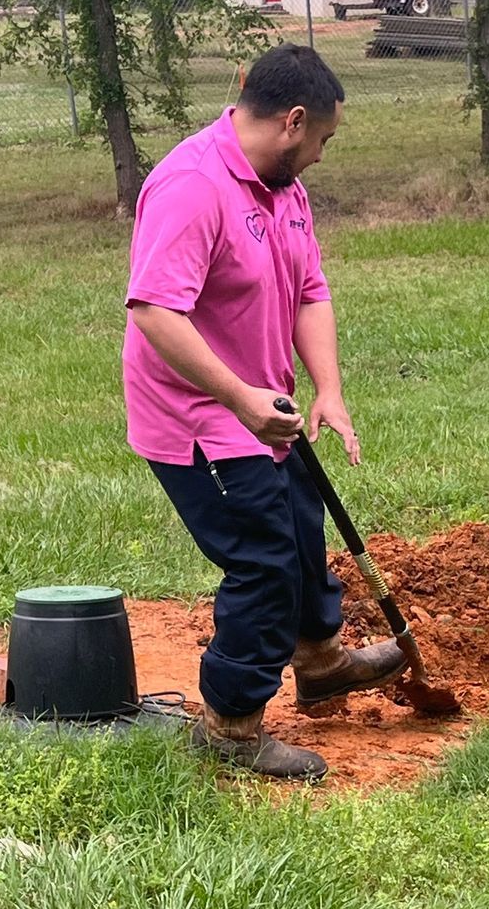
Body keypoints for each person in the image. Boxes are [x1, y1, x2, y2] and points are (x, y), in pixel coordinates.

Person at [123, 44, 404, 781]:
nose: (321, 156)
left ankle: (320, 662)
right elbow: (154, 311)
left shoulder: (283, 188)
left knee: (302, 532)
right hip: (200, 416)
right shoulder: (191, 185)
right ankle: (231, 724)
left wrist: (328, 390)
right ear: (294, 122)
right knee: (264, 559)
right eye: (323, 140)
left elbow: (310, 289)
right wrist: (239, 398)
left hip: (263, 406)